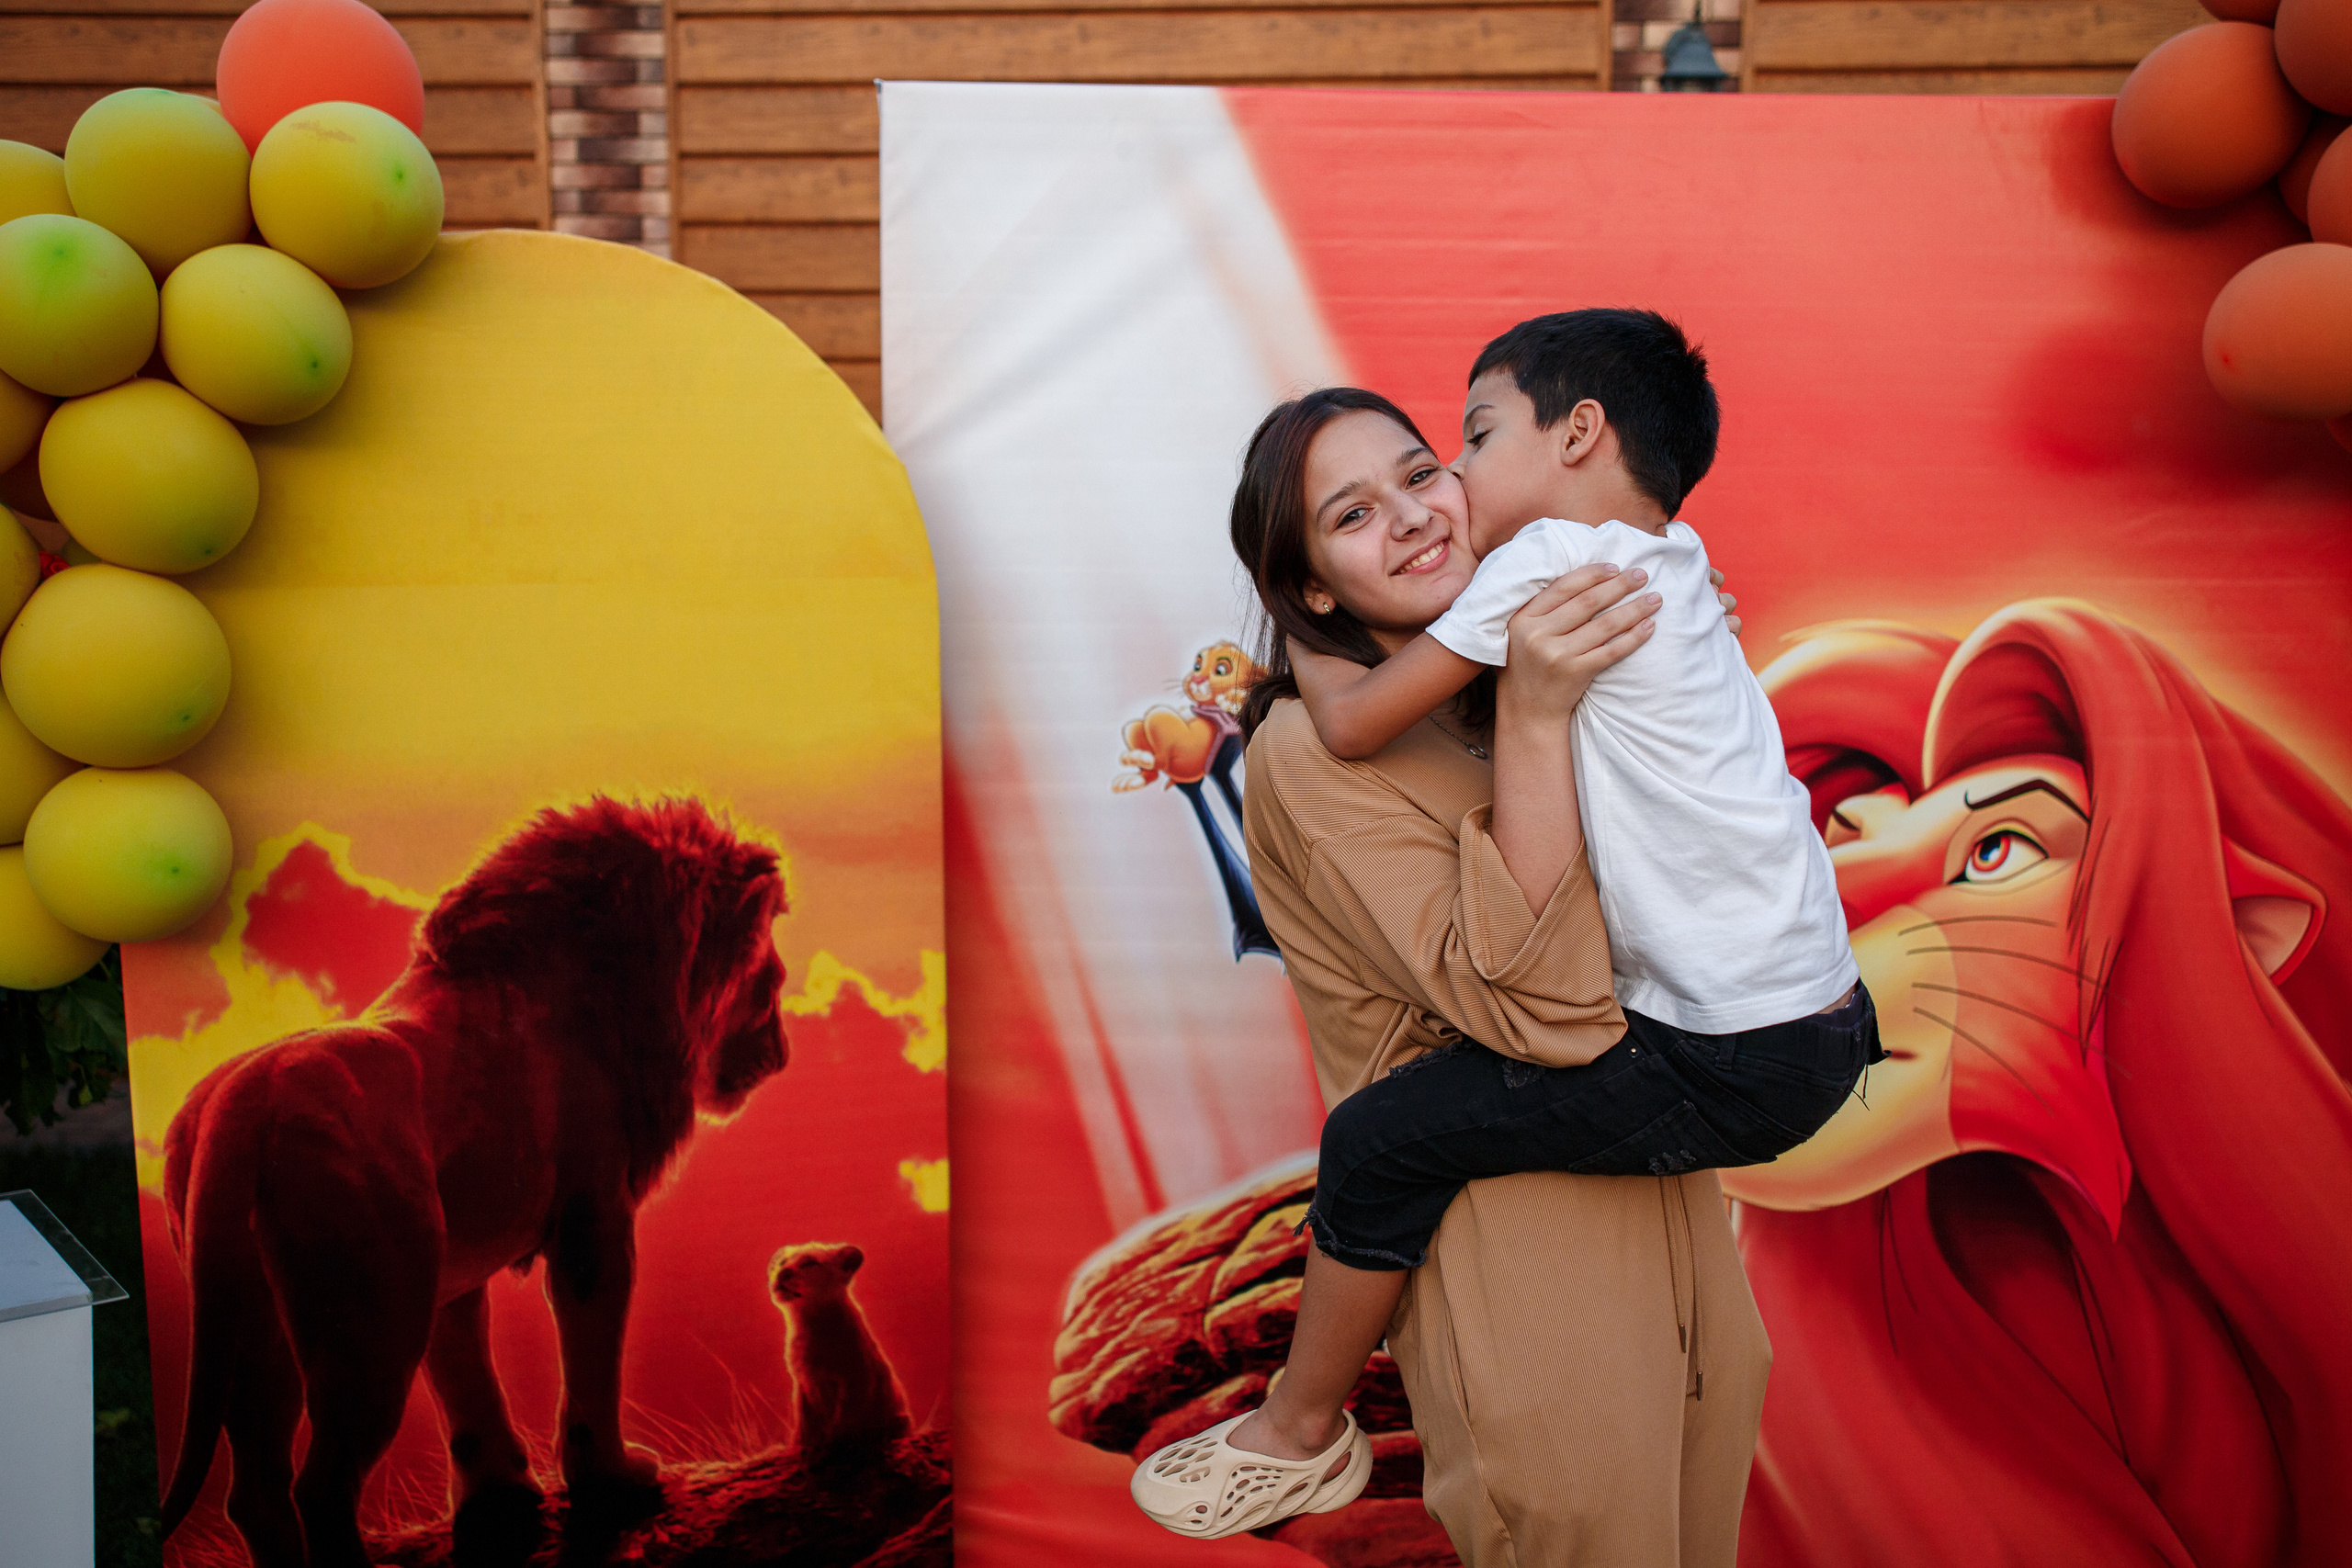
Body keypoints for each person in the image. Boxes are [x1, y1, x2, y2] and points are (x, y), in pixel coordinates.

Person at [1129, 378, 1770, 1565]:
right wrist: (1537, 716)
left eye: (1420, 473)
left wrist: (1667, 655)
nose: (1414, 514)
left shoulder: (1527, 663)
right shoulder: (1307, 757)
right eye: (1353, 514)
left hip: (1678, 1209)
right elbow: (1540, 1011)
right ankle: (1298, 1428)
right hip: (1518, 1248)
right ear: (1315, 588)